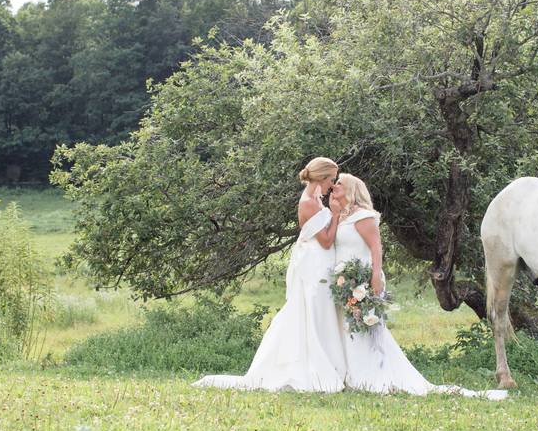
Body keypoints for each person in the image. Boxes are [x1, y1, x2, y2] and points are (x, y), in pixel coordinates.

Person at [334, 173, 507, 400]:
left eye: (339, 183)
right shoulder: (342, 216)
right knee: (348, 327)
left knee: (365, 325)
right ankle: (350, 372)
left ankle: (370, 373)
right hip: (346, 281)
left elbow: (376, 248)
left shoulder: (364, 217)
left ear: (351, 191)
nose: (335, 186)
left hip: (364, 279)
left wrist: (375, 276)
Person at [192, 157, 348, 392]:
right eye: (331, 180)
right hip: (315, 262)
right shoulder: (309, 202)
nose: (332, 185)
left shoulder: (316, 199)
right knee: (313, 312)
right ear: (322, 177)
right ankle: (311, 366)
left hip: (320, 261)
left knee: (321, 313)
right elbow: (325, 241)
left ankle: (331, 363)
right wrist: (335, 214)